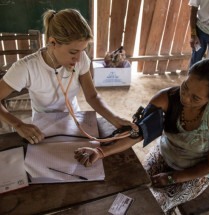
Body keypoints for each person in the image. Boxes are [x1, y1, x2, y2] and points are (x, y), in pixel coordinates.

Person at [75, 58, 209, 214]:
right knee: (131, 190)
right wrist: (100, 152)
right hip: (164, 154)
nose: (185, 97)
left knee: (149, 204)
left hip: (195, 173)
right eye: (185, 87)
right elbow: (137, 133)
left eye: (195, 98)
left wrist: (172, 178)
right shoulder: (166, 98)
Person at [0, 8, 135, 144]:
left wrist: (114, 118)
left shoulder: (81, 59)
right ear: (53, 43)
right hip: (42, 123)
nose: (78, 58)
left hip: (73, 118)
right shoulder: (26, 67)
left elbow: (92, 96)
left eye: (82, 50)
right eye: (73, 52)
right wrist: (18, 125)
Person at [189, 0, 209, 67]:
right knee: (196, 61)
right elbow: (193, 11)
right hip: (201, 29)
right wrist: (193, 35)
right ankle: (192, 77)